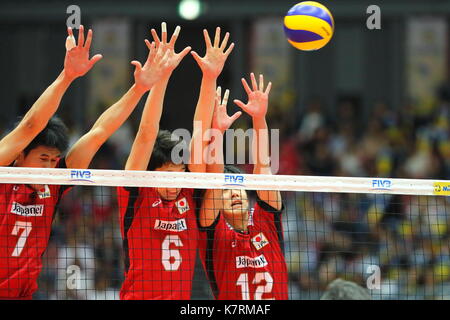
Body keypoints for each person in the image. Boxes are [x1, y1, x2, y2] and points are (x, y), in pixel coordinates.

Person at [0, 25, 169, 299]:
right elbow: (31, 126)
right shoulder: (3, 171)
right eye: (43, 159)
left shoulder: (53, 184)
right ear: (20, 155)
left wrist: (139, 89)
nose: (49, 167)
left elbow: (98, 133)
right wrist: (67, 77)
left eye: (54, 160)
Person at [116, 23, 234, 300]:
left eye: (178, 172)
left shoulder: (189, 195)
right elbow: (146, 134)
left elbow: (202, 133)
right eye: (165, 174)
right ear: (150, 173)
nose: (174, 181)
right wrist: (163, 76)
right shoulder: (136, 194)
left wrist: (210, 77)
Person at [199, 73, 288, 300]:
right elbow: (214, 181)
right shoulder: (213, 234)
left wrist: (259, 119)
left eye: (237, 187)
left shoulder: (265, 221)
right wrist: (217, 134)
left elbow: (262, 166)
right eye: (226, 191)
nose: (234, 193)